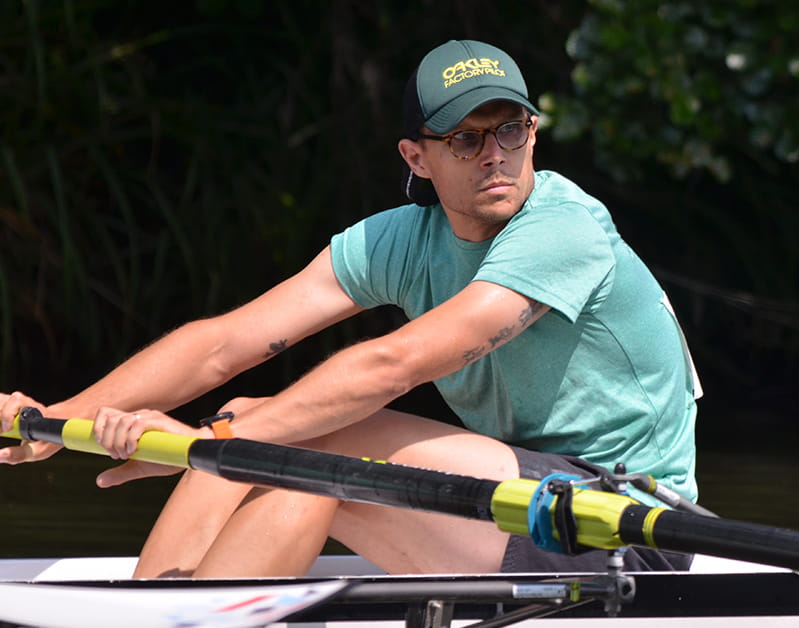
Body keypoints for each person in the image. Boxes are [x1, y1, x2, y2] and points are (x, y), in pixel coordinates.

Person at [0, 40, 700, 577]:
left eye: (510, 130)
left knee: (306, 441)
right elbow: (223, 344)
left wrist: (203, 450)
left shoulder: (563, 228)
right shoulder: (399, 241)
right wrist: (56, 423)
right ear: (417, 157)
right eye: (465, 138)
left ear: (534, 133)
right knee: (251, 417)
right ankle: (158, 606)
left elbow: (395, 364)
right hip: (520, 505)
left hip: (632, 529)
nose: (495, 156)